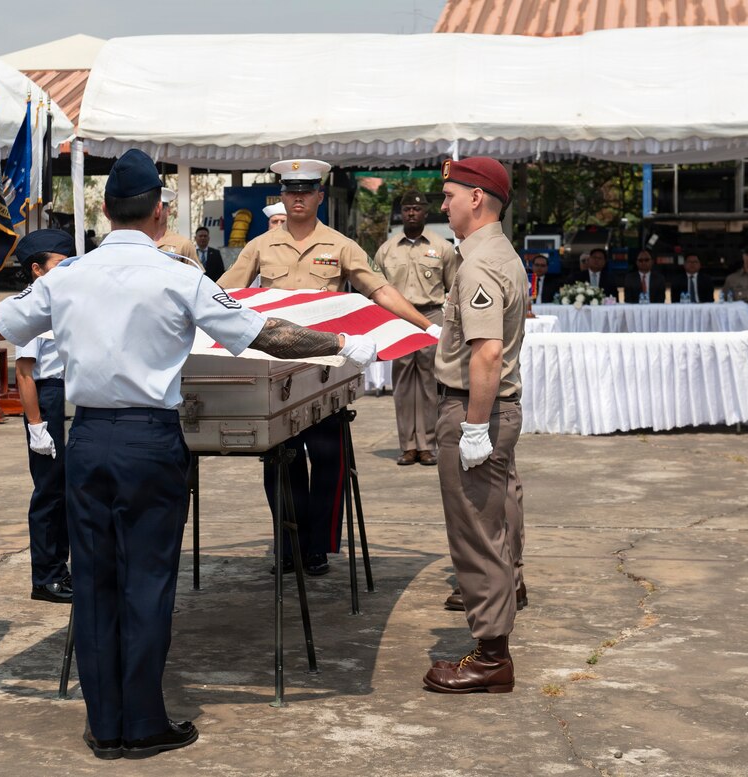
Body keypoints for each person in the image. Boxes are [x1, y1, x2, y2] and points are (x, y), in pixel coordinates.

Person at [0, 149, 378, 759]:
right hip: (150, 440)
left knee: (95, 582)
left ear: (105, 211)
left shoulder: (65, 276)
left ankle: (104, 723)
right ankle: (143, 721)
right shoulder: (178, 275)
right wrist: (342, 343)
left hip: (87, 441)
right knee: (147, 583)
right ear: (160, 213)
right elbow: (267, 336)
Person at [218, 158, 438, 576]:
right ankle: (288, 544)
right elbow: (221, 295)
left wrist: (427, 327)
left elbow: (380, 291)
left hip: (325, 370)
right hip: (277, 370)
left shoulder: (341, 244)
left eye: (306, 190)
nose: (297, 197)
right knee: (280, 458)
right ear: (281, 196)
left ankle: (318, 545)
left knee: (328, 457)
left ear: (319, 196)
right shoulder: (260, 247)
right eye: (290, 190)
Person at [423, 156, 527, 694]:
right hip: (491, 406)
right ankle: (499, 624)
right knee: (498, 521)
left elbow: (485, 353)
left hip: (474, 405)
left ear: (477, 199)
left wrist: (474, 429)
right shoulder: (496, 254)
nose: (443, 206)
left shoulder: (478, 265)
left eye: (449, 196)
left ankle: (491, 657)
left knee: (476, 535)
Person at [13, 229, 76, 604]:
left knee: (72, 490)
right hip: (48, 398)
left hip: (74, 394)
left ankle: (64, 569)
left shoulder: (69, 300)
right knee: (50, 491)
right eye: (60, 264)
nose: (67, 269)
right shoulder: (29, 307)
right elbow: (24, 373)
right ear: (37, 269)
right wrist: (36, 425)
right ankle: (46, 576)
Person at [372, 190, 457, 467]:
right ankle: (408, 446)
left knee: (431, 383)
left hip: (431, 315)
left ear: (425, 213)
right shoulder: (387, 249)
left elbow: (454, 287)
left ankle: (428, 445)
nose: (411, 213)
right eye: (407, 208)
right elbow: (376, 288)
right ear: (401, 212)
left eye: (416, 209)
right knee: (404, 385)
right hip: (399, 319)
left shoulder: (442, 247)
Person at [155, 188, 200, 266]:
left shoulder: (183, 244)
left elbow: (197, 275)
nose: (156, 212)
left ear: (168, 211)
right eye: (152, 208)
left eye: (159, 208)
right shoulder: (139, 242)